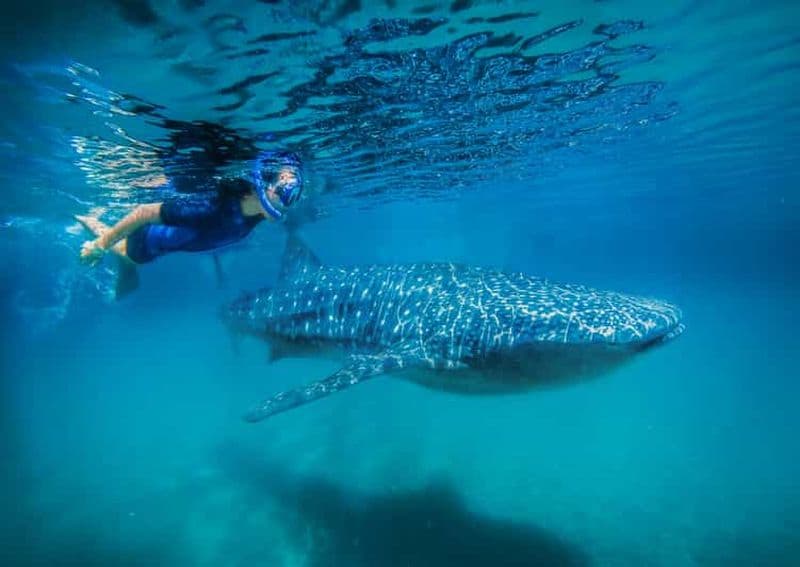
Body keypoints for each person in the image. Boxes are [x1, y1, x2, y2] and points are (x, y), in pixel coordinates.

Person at [75, 151, 304, 297]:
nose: (290, 197)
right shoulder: (209, 208)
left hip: (166, 245)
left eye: (293, 190)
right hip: (146, 243)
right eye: (285, 190)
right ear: (256, 189)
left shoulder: (258, 214)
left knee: (128, 280)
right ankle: (92, 222)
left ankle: (108, 244)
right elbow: (144, 212)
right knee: (126, 258)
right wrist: (99, 246)